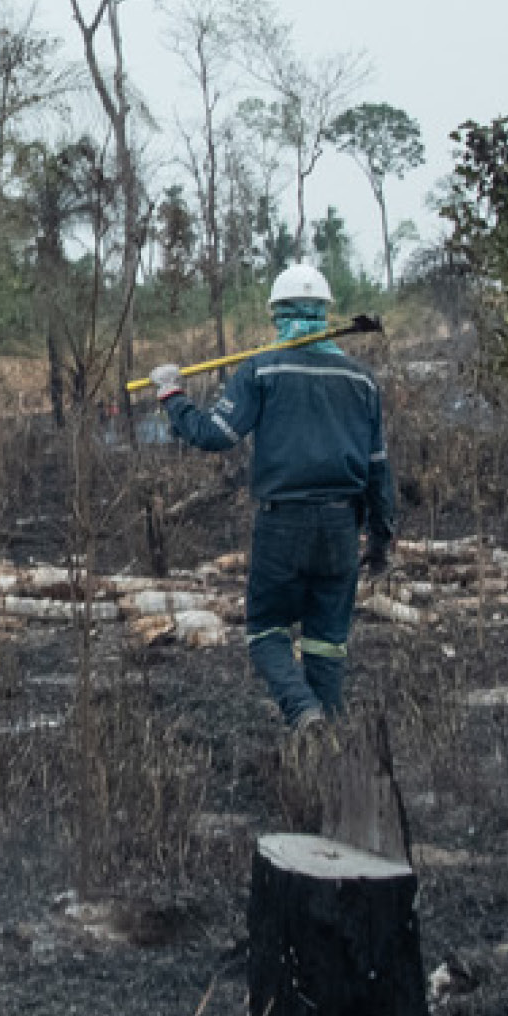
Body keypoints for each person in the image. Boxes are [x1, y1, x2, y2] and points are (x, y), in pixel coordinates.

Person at [155, 260, 397, 736]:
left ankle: (303, 713)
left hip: (282, 524)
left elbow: (215, 435)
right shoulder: (361, 381)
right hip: (341, 528)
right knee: (327, 641)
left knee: (265, 630)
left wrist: (172, 395)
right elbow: (377, 471)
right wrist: (380, 539)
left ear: (276, 315)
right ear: (326, 314)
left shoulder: (261, 369)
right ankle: (325, 747)